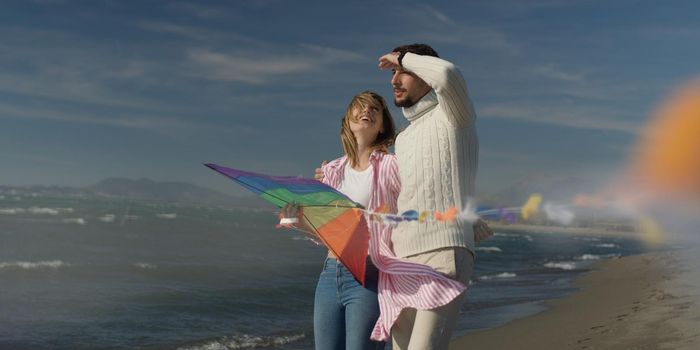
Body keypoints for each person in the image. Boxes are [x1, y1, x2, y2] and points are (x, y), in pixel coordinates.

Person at [376, 43, 480, 349]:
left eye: (404, 72)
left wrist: (404, 57)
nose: (394, 79)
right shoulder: (404, 138)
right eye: (393, 72)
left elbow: (448, 74)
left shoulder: (454, 115)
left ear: (424, 72)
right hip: (401, 259)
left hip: (443, 251)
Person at [294, 90, 398, 350]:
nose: (367, 112)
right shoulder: (331, 172)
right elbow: (325, 231)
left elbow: (417, 202)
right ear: (347, 121)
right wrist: (297, 220)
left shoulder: (392, 166)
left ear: (382, 125)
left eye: (375, 109)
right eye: (360, 107)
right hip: (330, 274)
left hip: (369, 274)